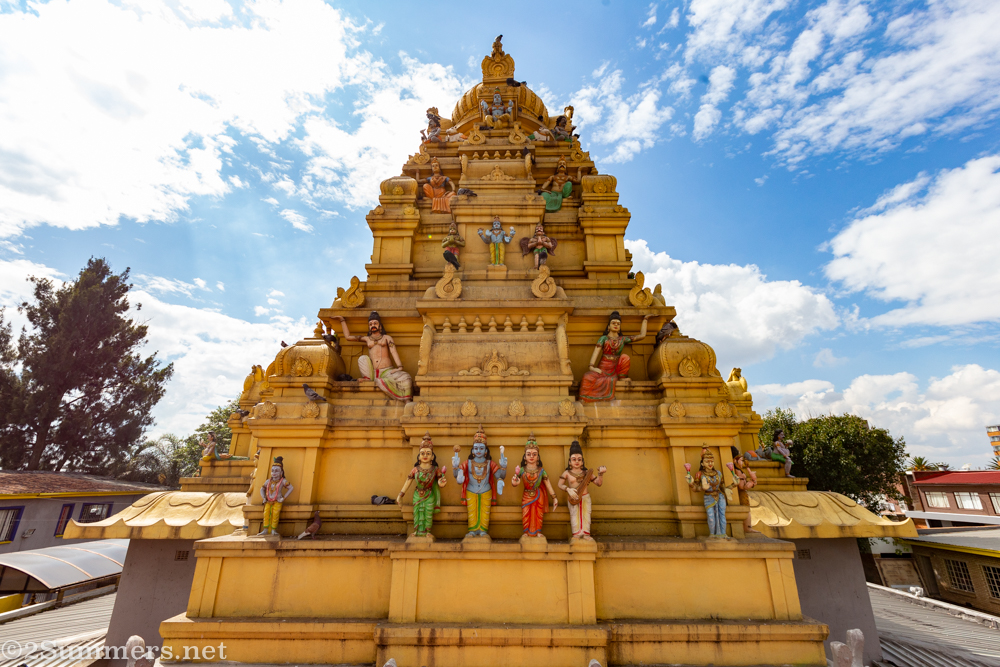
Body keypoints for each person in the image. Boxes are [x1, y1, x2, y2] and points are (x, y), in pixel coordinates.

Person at [333, 312, 412, 402]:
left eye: (375, 323)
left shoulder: (387, 338)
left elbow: (393, 351)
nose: (373, 325)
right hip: (373, 372)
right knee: (362, 358)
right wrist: (342, 320)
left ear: (380, 326)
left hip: (387, 371)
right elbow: (348, 337)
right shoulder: (367, 339)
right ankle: (368, 378)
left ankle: (407, 401)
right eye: (370, 324)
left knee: (406, 377)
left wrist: (399, 367)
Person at [579, 311, 651, 402]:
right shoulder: (603, 339)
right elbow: (594, 357)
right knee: (587, 377)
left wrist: (645, 319)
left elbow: (642, 336)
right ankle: (585, 398)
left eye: (618, 324)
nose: (616, 325)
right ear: (608, 326)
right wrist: (592, 368)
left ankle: (622, 378)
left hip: (616, 368)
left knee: (625, 357)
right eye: (613, 323)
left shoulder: (622, 339)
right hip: (603, 369)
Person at [452, 426, 507, 536]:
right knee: (471, 512)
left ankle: (483, 531)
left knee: (485, 512)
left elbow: (500, 476)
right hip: (471, 490)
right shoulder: (468, 463)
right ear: (472, 450)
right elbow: (456, 476)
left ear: (486, 451)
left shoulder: (490, 463)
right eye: (476, 448)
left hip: (486, 490)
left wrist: (504, 467)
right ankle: (472, 531)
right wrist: (455, 467)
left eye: (481, 448)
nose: (478, 451)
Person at [396, 433, 447, 536]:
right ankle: (417, 531)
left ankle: (428, 532)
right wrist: (400, 495)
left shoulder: (435, 470)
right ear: (418, 456)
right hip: (417, 494)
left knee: (428, 514)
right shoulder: (415, 469)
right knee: (417, 513)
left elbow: (440, 482)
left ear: (432, 456)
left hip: (429, 494)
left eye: (428, 453)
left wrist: (442, 483)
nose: (425, 456)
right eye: (422, 453)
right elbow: (408, 481)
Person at [510, 434, 558, 537]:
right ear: (525, 456)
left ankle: (538, 532)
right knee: (526, 514)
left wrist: (554, 498)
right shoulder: (522, 470)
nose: (531, 456)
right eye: (529, 454)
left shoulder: (541, 471)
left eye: (534, 454)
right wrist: (515, 481)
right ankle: (526, 532)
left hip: (538, 495)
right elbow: (515, 482)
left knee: (538, 514)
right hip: (526, 495)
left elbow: (548, 483)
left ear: (538, 457)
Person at [557, 441, 607, 540]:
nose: (577, 462)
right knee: (574, 516)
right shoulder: (567, 473)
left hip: (585, 497)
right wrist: (568, 489)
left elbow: (598, 483)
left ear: (582, 462)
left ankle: (586, 534)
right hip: (573, 497)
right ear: (569, 462)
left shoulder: (586, 473)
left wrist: (601, 474)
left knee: (586, 516)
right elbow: (559, 484)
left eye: (579, 459)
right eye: (574, 459)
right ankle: (576, 534)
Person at [683, 448, 730, 538]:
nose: (710, 463)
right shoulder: (699, 474)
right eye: (707, 461)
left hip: (719, 496)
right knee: (711, 517)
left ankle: (723, 534)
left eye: (712, 461)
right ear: (702, 463)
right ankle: (712, 534)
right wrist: (692, 484)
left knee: (722, 516)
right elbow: (695, 489)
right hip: (708, 497)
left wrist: (734, 484)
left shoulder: (718, 473)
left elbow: (723, 488)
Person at [258, 456, 293, 536]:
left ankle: (273, 530)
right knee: (266, 514)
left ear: (281, 473)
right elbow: (261, 489)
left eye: (277, 471)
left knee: (275, 515)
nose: (274, 473)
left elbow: (291, 488)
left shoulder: (283, 481)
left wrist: (283, 498)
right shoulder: (268, 481)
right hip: (268, 501)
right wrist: (263, 497)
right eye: (272, 471)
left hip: (277, 501)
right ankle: (265, 530)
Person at [730, 446, 759, 534]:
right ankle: (747, 528)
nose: (742, 463)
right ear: (735, 460)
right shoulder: (738, 471)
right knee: (746, 510)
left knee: (747, 510)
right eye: (741, 460)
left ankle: (747, 527)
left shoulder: (739, 470)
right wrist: (752, 482)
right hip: (741, 493)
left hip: (742, 494)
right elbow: (742, 487)